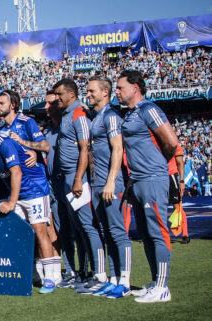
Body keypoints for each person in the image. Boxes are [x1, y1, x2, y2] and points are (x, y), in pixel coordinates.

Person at [0, 114, 57, 294]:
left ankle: (51, 278)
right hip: (19, 194)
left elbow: (16, 173)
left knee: (40, 232)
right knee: (23, 234)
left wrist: (11, 202)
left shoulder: (3, 143)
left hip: (34, 190)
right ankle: (29, 274)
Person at [117, 70, 179, 303]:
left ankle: (163, 287)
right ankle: (155, 281)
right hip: (138, 180)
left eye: (121, 87)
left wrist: (156, 165)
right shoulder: (130, 115)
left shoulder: (149, 109)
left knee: (157, 231)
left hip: (152, 178)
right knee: (145, 233)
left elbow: (171, 142)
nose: (118, 92)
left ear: (135, 87)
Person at [53, 78, 106, 290]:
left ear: (71, 95)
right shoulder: (67, 115)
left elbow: (85, 148)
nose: (57, 98)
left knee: (88, 226)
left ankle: (100, 274)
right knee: (78, 228)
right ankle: (85, 273)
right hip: (68, 178)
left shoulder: (78, 114)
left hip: (78, 179)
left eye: (60, 94)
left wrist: (78, 179)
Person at [86, 75, 132, 298]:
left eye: (92, 91)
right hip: (97, 184)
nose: (88, 94)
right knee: (106, 233)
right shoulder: (97, 117)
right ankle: (113, 278)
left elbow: (118, 148)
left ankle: (125, 280)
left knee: (118, 232)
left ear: (105, 92)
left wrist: (111, 181)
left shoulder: (111, 115)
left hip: (110, 184)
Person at [42, 90, 77, 288]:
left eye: (50, 104)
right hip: (53, 184)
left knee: (79, 229)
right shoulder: (47, 131)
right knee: (60, 230)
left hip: (70, 182)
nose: (47, 107)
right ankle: (71, 270)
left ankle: (87, 271)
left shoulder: (68, 126)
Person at [0, 90, 49, 166]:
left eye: (1, 103)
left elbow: (45, 146)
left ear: (13, 105)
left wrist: (22, 142)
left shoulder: (26, 122)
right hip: (17, 175)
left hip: (35, 174)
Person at [167, 145, 190, 244]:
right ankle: (160, 234)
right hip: (159, 176)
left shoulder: (175, 145)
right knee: (158, 206)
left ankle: (185, 234)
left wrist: (181, 181)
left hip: (171, 176)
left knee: (177, 206)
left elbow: (180, 163)